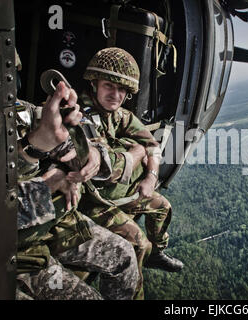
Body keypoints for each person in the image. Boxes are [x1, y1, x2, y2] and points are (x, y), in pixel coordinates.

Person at [15, 75, 140, 299]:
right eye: (109, 86)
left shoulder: (21, 113)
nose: (116, 95)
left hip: (56, 221)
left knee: (126, 255)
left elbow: (87, 155)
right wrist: (49, 182)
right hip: (16, 247)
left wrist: (88, 154)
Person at [76, 47, 184, 288]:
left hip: (119, 193)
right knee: (138, 244)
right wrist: (136, 151)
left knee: (162, 207)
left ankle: (156, 255)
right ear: (94, 84)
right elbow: (108, 169)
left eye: (122, 90)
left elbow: (153, 145)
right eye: (109, 86)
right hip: (93, 202)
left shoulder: (118, 116)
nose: (116, 95)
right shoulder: (81, 118)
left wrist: (150, 176)